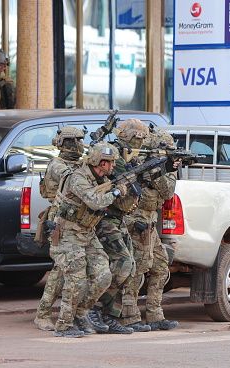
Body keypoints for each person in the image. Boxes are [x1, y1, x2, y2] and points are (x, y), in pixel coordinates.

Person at [50, 142, 125, 338]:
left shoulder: (100, 179)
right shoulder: (78, 177)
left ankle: (81, 313)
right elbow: (94, 201)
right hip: (68, 234)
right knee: (76, 281)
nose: (111, 167)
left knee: (103, 276)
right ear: (97, 162)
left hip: (87, 233)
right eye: (108, 163)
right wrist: (116, 192)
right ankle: (64, 324)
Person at [86, 118, 150, 334]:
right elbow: (118, 182)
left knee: (130, 267)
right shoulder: (113, 155)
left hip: (118, 218)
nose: (140, 144)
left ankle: (111, 315)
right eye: (138, 138)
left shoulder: (124, 157)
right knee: (122, 263)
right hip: (105, 218)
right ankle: (93, 307)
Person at [121, 129, 179, 331]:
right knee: (137, 268)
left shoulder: (166, 168)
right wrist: (148, 169)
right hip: (135, 222)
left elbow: (167, 191)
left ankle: (155, 314)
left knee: (161, 267)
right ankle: (129, 315)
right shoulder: (135, 162)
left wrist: (158, 171)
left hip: (150, 224)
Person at [34, 126, 84, 331]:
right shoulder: (58, 165)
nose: (80, 145)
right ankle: (43, 314)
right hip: (60, 221)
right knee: (60, 271)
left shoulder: (76, 164)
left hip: (77, 221)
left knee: (64, 271)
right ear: (67, 143)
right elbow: (74, 182)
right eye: (77, 141)